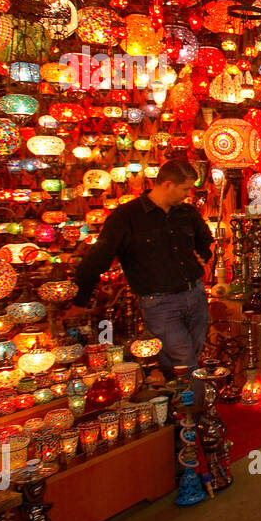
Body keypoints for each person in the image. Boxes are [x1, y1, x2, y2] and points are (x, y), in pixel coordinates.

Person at [67, 159, 213, 378]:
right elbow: (98, 259)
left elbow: (204, 240)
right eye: (184, 188)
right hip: (160, 302)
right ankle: (198, 410)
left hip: (195, 294)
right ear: (167, 184)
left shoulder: (186, 213)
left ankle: (172, 404)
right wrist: (80, 299)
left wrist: (201, 259)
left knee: (186, 354)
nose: (187, 194)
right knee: (185, 360)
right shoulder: (126, 217)